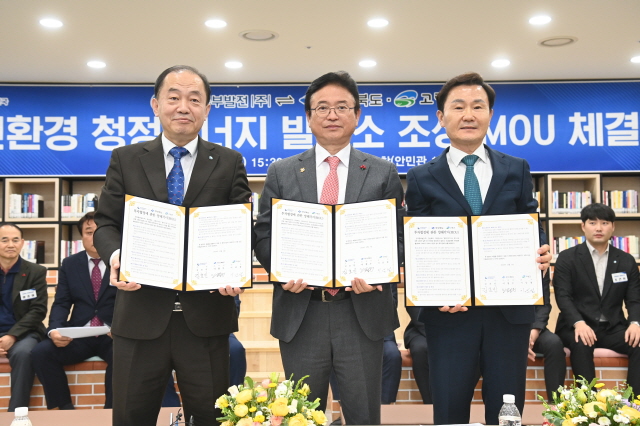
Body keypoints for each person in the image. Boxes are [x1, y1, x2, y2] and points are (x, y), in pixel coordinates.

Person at [93, 65, 251, 426]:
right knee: (132, 417)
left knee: (210, 418)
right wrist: (118, 256)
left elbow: (241, 226)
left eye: (194, 99)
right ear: (155, 104)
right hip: (140, 315)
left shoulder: (229, 162)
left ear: (206, 109)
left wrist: (236, 269)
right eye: (174, 97)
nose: (183, 107)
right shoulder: (126, 158)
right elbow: (106, 223)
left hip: (207, 318)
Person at [253, 71, 403, 425]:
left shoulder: (382, 172)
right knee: (301, 416)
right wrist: (282, 272)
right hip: (302, 312)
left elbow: (398, 237)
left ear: (357, 115)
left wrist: (380, 272)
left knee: (364, 416)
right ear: (308, 117)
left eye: (342, 107)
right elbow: (264, 235)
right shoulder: (282, 172)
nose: (332, 115)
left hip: (361, 312)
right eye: (322, 107)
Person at [404, 72, 552, 425]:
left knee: (506, 409)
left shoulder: (516, 169)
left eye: (477, 106)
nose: (468, 115)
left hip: (508, 311)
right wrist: (431, 297)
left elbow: (530, 221)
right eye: (458, 107)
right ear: (441, 117)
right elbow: (414, 244)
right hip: (449, 314)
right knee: (450, 409)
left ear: (490, 114)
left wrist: (542, 247)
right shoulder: (422, 177)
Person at [31, 212, 116, 410]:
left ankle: (112, 413)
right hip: (79, 335)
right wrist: (54, 330)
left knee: (124, 356)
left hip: (112, 335)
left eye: (100, 232)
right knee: (41, 352)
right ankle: (64, 409)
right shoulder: (70, 264)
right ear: (81, 237)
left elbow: (132, 302)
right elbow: (62, 303)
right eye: (89, 232)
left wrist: (122, 328)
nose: (95, 237)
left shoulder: (121, 264)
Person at [554, 203, 640, 391]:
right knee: (581, 343)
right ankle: (588, 402)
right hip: (577, 326)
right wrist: (578, 323)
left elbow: (634, 299)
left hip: (612, 327)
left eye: (604, 223)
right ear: (583, 226)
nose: (599, 228)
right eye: (592, 223)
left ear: (613, 227)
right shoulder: (567, 258)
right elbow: (563, 296)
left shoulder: (626, 260)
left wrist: (635, 323)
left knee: (638, 342)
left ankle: (634, 401)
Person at [0, 223, 47, 412]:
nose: (10, 245)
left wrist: (12, 336)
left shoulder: (35, 272)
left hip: (24, 333)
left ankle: (16, 414)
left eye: (15, 240)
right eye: (4, 240)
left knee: (23, 354)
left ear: (22, 243)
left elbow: (38, 310)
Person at [528, 271, 566, 400]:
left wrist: (534, 332)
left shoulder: (540, 267)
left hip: (533, 327)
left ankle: (556, 402)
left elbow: (544, 305)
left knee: (554, 343)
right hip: (503, 329)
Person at [403, 306, 432, 404]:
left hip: (462, 327)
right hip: (422, 327)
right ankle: (430, 403)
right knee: (420, 349)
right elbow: (414, 305)